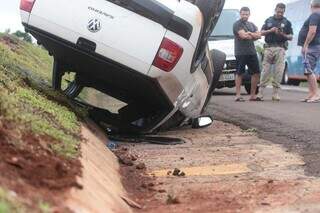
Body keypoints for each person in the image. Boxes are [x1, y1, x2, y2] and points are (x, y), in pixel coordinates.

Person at [258, 3, 293, 101]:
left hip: (280, 48)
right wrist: (270, 30)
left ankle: (275, 93)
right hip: (268, 48)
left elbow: (291, 37)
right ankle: (260, 93)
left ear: (284, 11)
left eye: (282, 12)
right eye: (278, 11)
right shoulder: (269, 20)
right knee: (265, 71)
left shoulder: (287, 22)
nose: (280, 13)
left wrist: (283, 34)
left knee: (279, 71)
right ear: (275, 10)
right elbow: (261, 32)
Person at [233, 7, 261, 102]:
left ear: (249, 14)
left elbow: (259, 35)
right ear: (240, 14)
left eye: (246, 14)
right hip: (240, 52)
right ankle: (238, 95)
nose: (245, 16)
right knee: (239, 72)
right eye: (243, 14)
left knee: (256, 72)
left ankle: (252, 95)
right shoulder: (237, 24)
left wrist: (250, 33)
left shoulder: (251, 24)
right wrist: (253, 35)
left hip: (251, 52)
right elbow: (243, 36)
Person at [298, 0, 320, 103]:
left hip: (311, 47)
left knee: (309, 70)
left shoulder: (315, 15)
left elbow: (312, 31)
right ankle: (311, 94)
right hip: (314, 46)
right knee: (308, 71)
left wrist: (306, 44)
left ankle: (316, 94)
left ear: (311, 6)